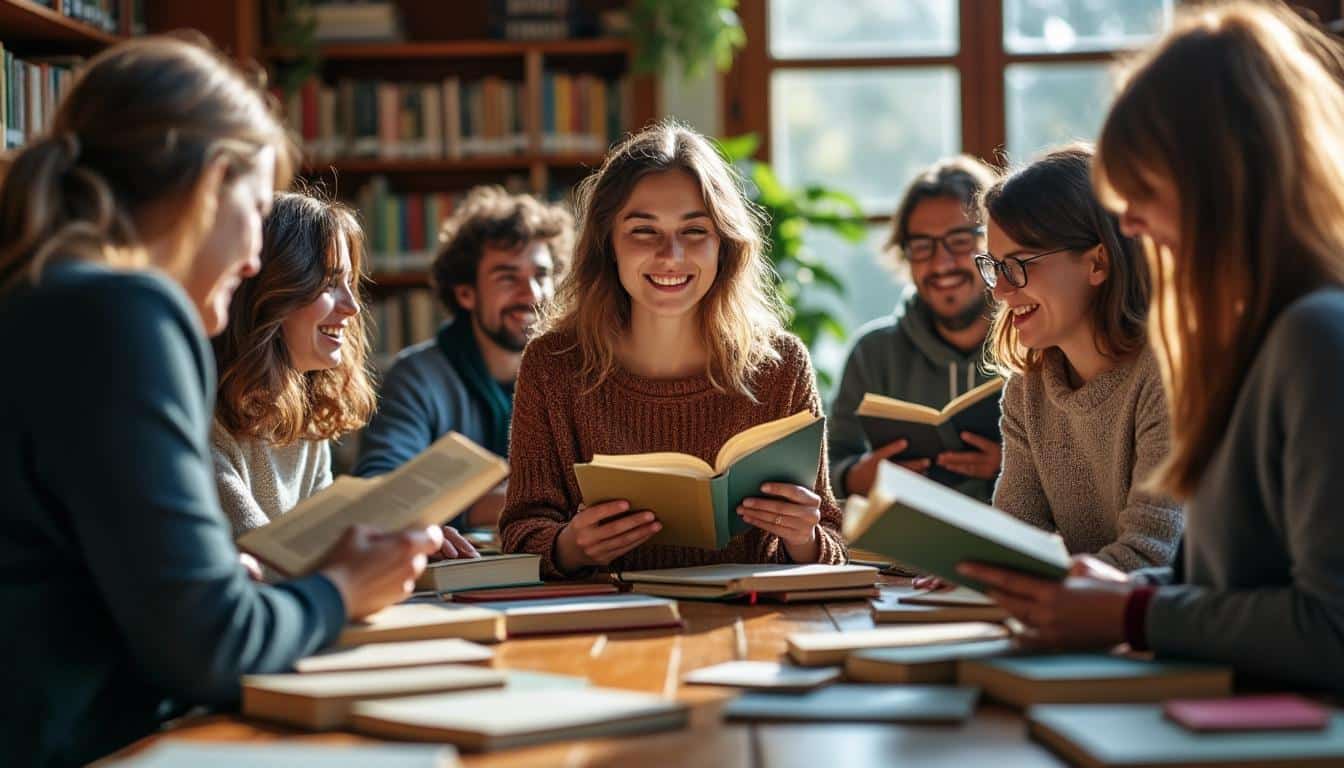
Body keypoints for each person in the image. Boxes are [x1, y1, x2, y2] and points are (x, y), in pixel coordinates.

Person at [0, 38, 441, 766]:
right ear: (212, 184)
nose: (254, 254)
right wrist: (341, 590)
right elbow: (212, 649)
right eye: (259, 205)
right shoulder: (125, 310)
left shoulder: (39, 297)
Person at [958, 2, 1344, 692]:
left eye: (1147, 187)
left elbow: (1331, 627)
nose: (1129, 220)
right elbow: (1221, 585)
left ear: (1226, 179)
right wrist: (1109, 593)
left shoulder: (1315, 337)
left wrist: (1132, 608)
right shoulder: (1248, 345)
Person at [499, 122, 847, 578]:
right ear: (609, 245)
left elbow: (833, 543)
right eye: (644, 231)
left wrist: (804, 537)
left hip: (746, 628)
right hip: (605, 628)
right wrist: (569, 546)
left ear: (724, 245)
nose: (672, 256)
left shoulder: (782, 367)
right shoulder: (553, 365)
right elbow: (521, 531)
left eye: (695, 231)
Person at [972, 145, 1181, 572]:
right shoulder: (1027, 392)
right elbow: (1016, 540)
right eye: (994, 267)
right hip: (1075, 626)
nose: (999, 291)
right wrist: (985, 572)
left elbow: (1150, 557)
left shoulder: (1166, 379)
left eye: (1017, 265)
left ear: (1097, 262)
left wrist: (1017, 581)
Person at [354, 186, 572, 529]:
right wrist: (521, 506)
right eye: (507, 277)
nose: (532, 294)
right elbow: (381, 493)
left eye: (541, 275)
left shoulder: (573, 376)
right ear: (466, 293)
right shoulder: (416, 378)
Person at [828, 156, 1001, 503]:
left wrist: (1008, 465)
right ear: (905, 256)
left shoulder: (1032, 343)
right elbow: (823, 472)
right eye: (922, 246)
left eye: (960, 240)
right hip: (896, 553)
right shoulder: (872, 353)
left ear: (995, 243)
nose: (941, 263)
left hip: (1014, 550)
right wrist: (860, 476)